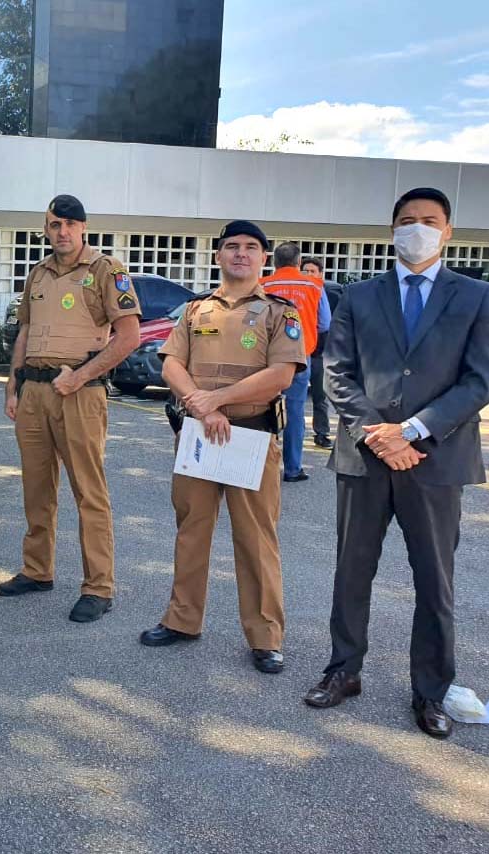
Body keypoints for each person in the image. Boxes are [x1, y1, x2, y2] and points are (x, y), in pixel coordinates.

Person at [303, 187, 489, 739]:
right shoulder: (359, 296)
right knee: (352, 570)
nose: (418, 228)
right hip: (365, 458)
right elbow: (337, 372)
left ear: (448, 232)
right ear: (392, 229)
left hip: (435, 460)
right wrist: (378, 433)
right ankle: (343, 670)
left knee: (434, 580)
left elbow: (481, 380)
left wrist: (414, 429)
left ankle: (431, 691)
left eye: (429, 220)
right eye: (407, 220)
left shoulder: (476, 297)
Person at [140, 220, 305, 674]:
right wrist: (201, 405)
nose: (240, 254)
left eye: (251, 247)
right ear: (217, 255)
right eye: (231, 246)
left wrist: (218, 400)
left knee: (255, 539)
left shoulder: (279, 312)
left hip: (251, 434)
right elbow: (172, 363)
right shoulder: (195, 311)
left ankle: (265, 636)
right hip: (198, 433)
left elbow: (281, 376)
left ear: (264, 258)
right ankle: (182, 619)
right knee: (192, 529)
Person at [0, 194, 141, 623]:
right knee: (37, 489)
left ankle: (98, 586)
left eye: (70, 224)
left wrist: (79, 376)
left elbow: (129, 336)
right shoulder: (37, 274)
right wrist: (13, 386)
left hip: (80, 392)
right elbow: (25, 330)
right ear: (46, 229)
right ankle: (37, 570)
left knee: (88, 492)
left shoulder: (106, 270)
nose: (62, 232)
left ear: (84, 227)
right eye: (54, 224)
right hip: (35, 394)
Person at [260, 243, 330, 481]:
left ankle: (260, 464)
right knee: (295, 411)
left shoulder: (262, 285)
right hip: (299, 356)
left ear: (274, 262)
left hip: (265, 357)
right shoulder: (315, 286)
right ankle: (292, 468)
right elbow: (325, 323)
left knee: (260, 408)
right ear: (298, 263)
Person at [299, 257, 338, 449]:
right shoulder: (299, 292)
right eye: (304, 271)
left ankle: (322, 433)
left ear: (320, 274)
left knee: (319, 396)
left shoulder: (327, 291)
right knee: (291, 397)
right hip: (298, 351)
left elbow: (327, 323)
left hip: (320, 352)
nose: (308, 275)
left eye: (312, 271)